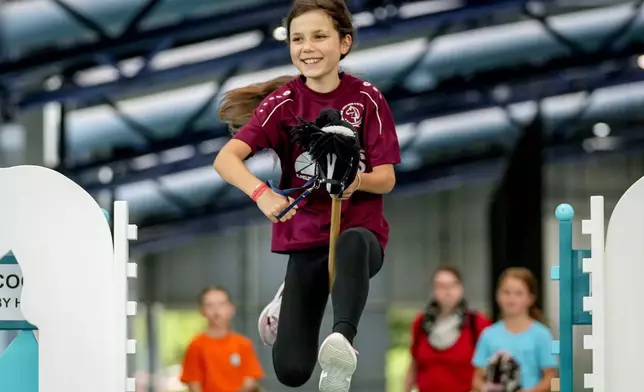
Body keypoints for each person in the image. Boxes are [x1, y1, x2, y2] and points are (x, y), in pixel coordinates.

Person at [213, 0, 401, 390]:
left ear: (344, 44)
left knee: (352, 242)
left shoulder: (368, 99)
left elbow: (385, 177)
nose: (307, 47)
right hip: (305, 239)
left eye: (319, 36)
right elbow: (226, 160)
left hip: (361, 234)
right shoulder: (282, 105)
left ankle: (342, 345)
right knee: (292, 372)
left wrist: (355, 182)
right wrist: (261, 193)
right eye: (297, 39)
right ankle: (288, 296)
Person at [404, 266, 491, 392]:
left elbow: (489, 369)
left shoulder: (477, 323)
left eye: (452, 285)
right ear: (433, 290)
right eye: (441, 286)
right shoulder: (421, 323)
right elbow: (413, 366)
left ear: (461, 288)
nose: (447, 291)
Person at [471, 267, 557, 392]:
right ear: (497, 295)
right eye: (506, 292)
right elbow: (477, 378)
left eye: (519, 293)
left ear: (531, 298)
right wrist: (487, 389)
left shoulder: (542, 335)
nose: (511, 298)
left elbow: (551, 377)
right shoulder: (488, 335)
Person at [180, 286, 264, 392]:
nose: (216, 310)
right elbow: (194, 385)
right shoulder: (196, 346)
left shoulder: (243, 344)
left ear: (231, 309)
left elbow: (250, 380)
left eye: (221, 304)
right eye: (210, 305)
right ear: (202, 311)